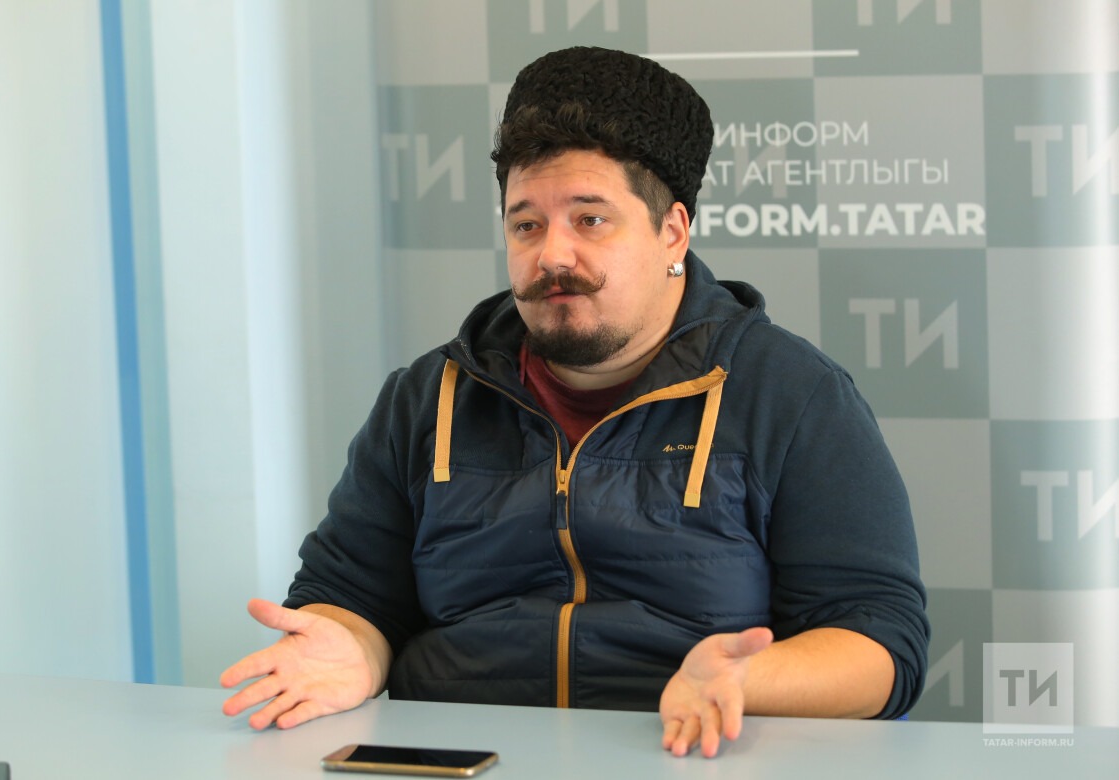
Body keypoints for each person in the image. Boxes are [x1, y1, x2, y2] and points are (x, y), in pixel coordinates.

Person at [221, 46, 929, 759]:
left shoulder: (791, 396)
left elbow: (880, 641)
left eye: (590, 220)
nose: (552, 256)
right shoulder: (427, 398)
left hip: (685, 756)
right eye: (526, 224)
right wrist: (351, 648)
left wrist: (752, 680)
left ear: (672, 232)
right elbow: (355, 595)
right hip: (460, 763)